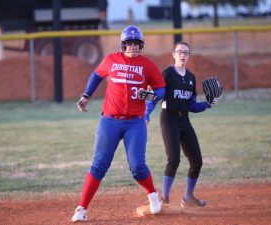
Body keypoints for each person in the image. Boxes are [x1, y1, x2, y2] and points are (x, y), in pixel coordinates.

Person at [71, 25, 166, 222]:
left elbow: (161, 89)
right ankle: (82, 208)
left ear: (142, 45)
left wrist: (152, 96)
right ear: (123, 45)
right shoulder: (111, 60)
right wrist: (86, 96)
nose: (133, 46)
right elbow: (96, 75)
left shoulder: (147, 65)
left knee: (138, 167)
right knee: (98, 166)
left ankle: (153, 195)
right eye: (129, 43)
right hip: (110, 121)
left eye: (136, 43)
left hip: (135, 122)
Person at [145, 41, 219, 208]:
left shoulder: (191, 78)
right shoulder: (167, 74)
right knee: (174, 159)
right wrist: (146, 113)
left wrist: (207, 104)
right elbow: (155, 96)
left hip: (184, 120)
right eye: (179, 52)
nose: (182, 55)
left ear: (188, 56)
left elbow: (191, 105)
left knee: (197, 161)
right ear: (173, 54)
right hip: (168, 119)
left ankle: (188, 198)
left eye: (186, 52)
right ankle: (164, 197)